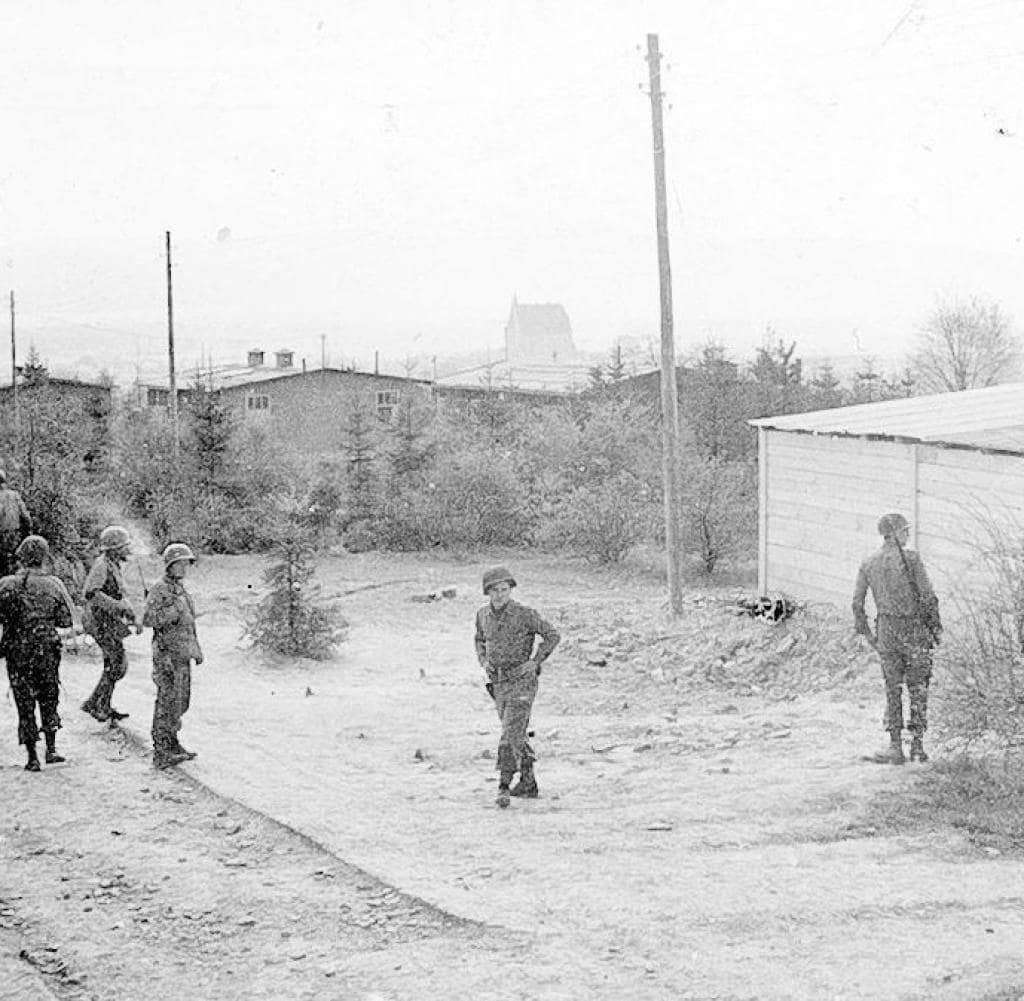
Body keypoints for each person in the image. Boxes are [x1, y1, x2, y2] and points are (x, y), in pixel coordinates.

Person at [853, 512, 942, 765]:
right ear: (894, 534)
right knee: (918, 688)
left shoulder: (868, 563)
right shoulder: (912, 559)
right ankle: (917, 745)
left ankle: (894, 746)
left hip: (887, 634)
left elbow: (857, 605)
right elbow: (927, 597)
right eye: (905, 530)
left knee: (893, 689)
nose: (908, 535)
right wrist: (936, 628)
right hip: (915, 632)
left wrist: (870, 635)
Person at [474, 566, 560, 808]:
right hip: (499, 683)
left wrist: (535, 661)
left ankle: (503, 784)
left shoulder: (524, 614)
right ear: (487, 592)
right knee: (516, 733)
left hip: (522, 682)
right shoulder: (482, 615)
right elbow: (479, 639)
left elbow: (552, 635)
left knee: (510, 732)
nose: (500, 595)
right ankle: (528, 782)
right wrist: (483, 660)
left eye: (504, 590)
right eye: (495, 591)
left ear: (510, 590)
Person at [0, 535, 76, 771]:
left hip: (17, 648)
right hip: (46, 649)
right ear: (44, 558)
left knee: (24, 700)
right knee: (49, 695)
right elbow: (65, 621)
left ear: (21, 557)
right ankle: (51, 750)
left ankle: (32, 757)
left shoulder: (6, 584)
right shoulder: (54, 584)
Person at [143, 543, 203, 770]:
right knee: (167, 700)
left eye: (186, 564)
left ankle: (173, 743)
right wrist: (173, 611)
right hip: (166, 653)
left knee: (181, 700)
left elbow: (190, 622)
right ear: (170, 565)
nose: (185, 568)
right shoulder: (160, 589)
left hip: (182, 653)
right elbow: (149, 619)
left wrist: (196, 649)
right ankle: (161, 749)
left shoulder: (180, 590)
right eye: (181, 564)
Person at [81, 525, 140, 724]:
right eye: (124, 546)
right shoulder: (102, 565)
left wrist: (128, 611)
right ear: (114, 549)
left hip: (106, 620)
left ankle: (96, 703)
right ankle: (99, 705)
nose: (128, 550)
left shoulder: (112, 565)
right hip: (99, 621)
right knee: (116, 663)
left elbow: (120, 595)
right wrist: (118, 606)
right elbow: (91, 593)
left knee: (114, 663)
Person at [0, 470, 32, 579]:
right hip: (12, 535)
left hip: (6, 534)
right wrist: (28, 533)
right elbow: (26, 517)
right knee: (12, 562)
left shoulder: (13, 496)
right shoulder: (14, 495)